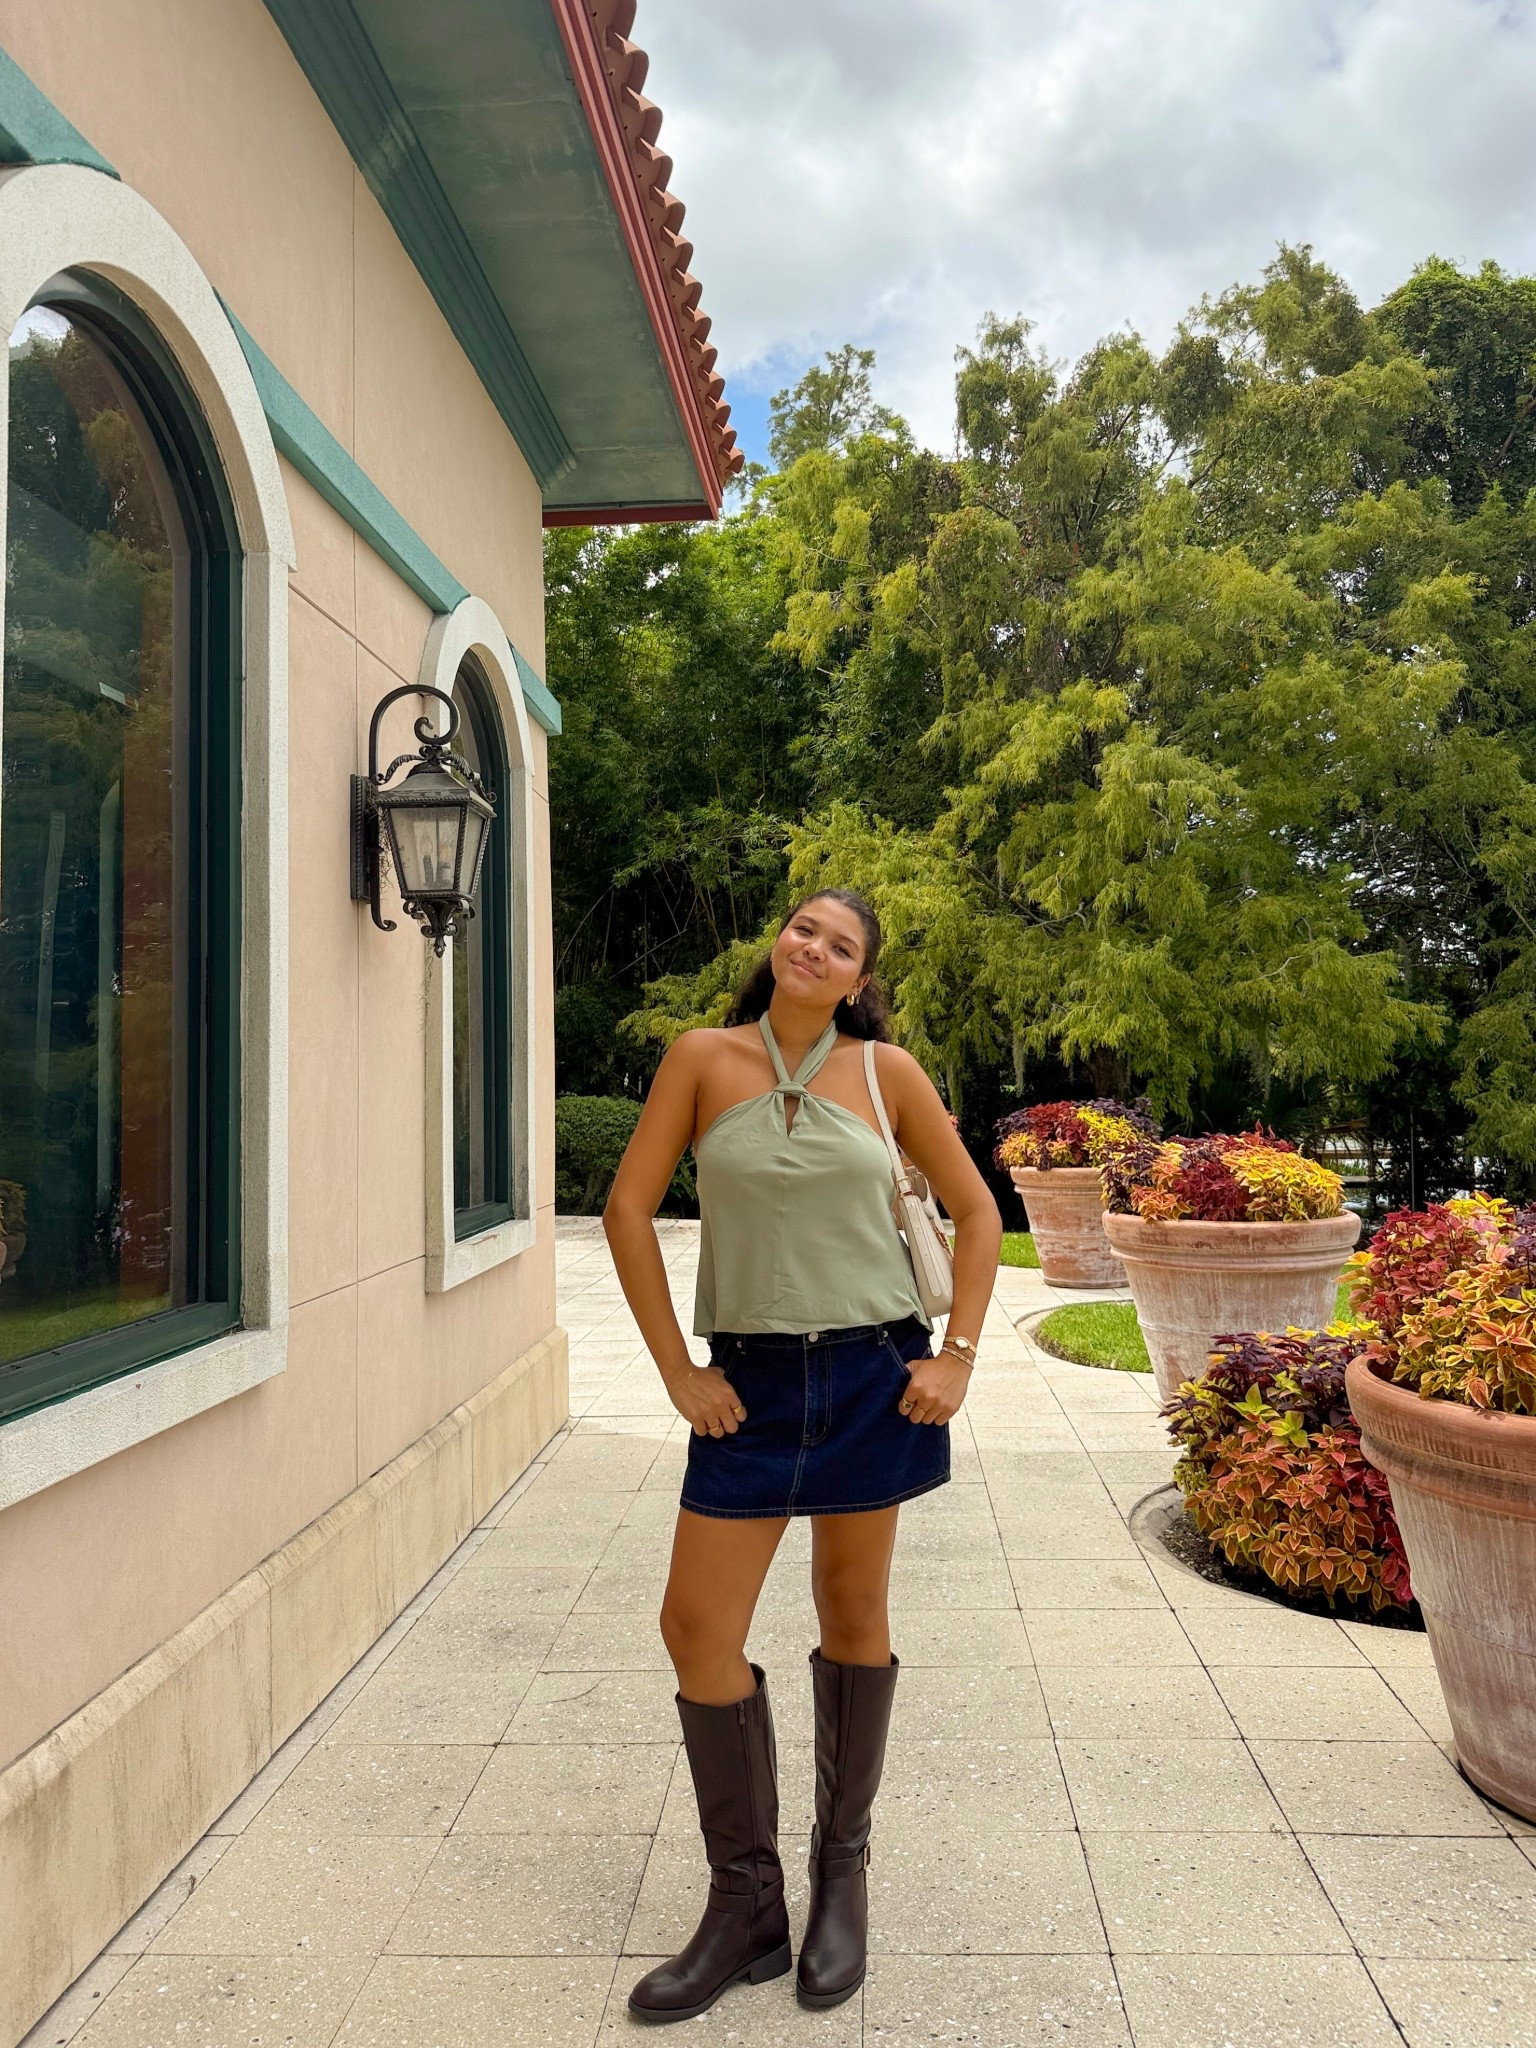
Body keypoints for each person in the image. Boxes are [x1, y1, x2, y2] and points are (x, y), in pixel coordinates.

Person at [603, 888, 1002, 2022]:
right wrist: (680, 1371)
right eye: (803, 927)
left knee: (852, 1614)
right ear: (776, 943)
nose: (813, 947)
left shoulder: (889, 1073)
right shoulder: (702, 1056)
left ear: (858, 975)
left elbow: (977, 1212)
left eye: (841, 944)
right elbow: (628, 1210)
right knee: (695, 1626)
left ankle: (841, 1879)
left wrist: (959, 1356)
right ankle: (746, 1903)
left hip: (872, 1375)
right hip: (752, 1383)